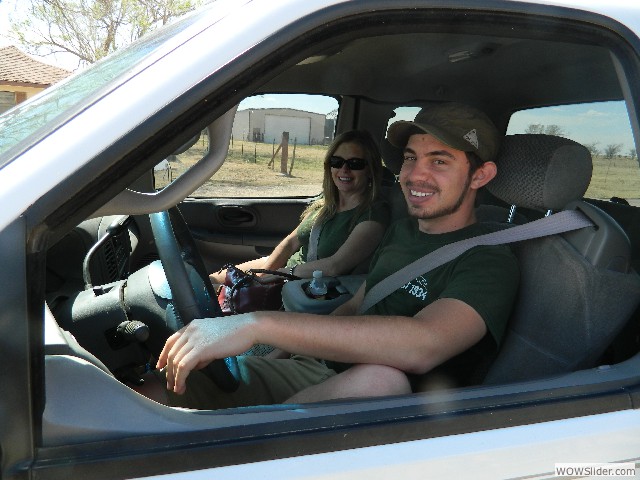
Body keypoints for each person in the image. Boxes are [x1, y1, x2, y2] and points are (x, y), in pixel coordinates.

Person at [154, 102, 520, 408]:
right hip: (320, 366)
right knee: (167, 384)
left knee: (380, 380)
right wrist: (275, 353)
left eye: (439, 162)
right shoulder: (404, 231)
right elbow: (354, 307)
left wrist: (257, 325)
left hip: (368, 397)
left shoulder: (488, 260)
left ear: (480, 175)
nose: (414, 175)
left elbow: (425, 344)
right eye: (411, 158)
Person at [209, 130, 390, 284]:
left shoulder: (373, 215)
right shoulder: (325, 202)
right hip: (287, 272)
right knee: (212, 281)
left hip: (307, 286)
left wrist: (278, 275)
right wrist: (264, 273)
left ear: (370, 170)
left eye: (355, 164)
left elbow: (335, 266)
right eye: (337, 162)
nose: (344, 170)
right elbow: (291, 242)